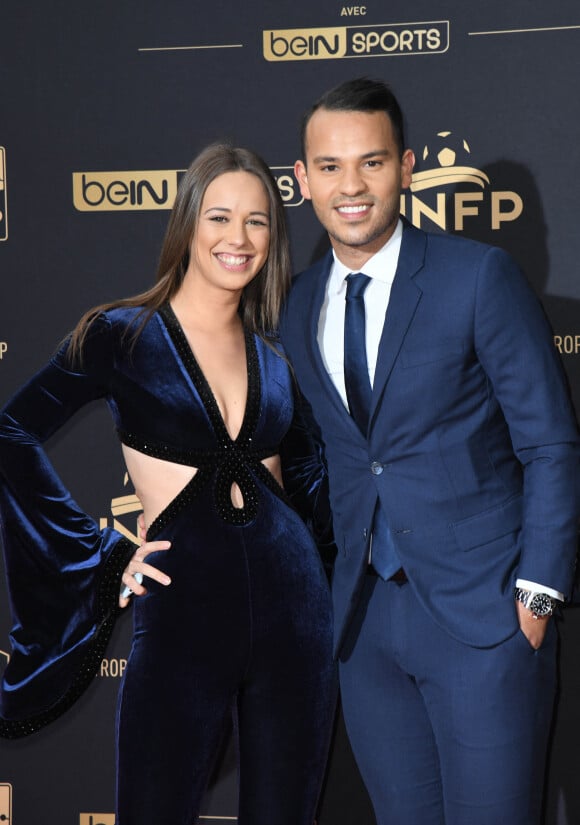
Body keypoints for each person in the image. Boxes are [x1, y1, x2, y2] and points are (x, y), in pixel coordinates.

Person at [0, 143, 336, 824]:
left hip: (296, 622)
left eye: (258, 221)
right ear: (186, 223)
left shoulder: (276, 352)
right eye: (220, 217)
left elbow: (311, 474)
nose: (238, 239)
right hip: (183, 621)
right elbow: (12, 433)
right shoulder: (119, 337)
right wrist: (105, 555)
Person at [279, 77, 580, 825]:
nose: (351, 186)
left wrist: (537, 593)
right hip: (364, 628)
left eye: (372, 163)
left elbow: (549, 442)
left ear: (406, 167)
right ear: (303, 179)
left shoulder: (476, 277)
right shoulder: (296, 302)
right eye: (330, 166)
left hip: (484, 617)